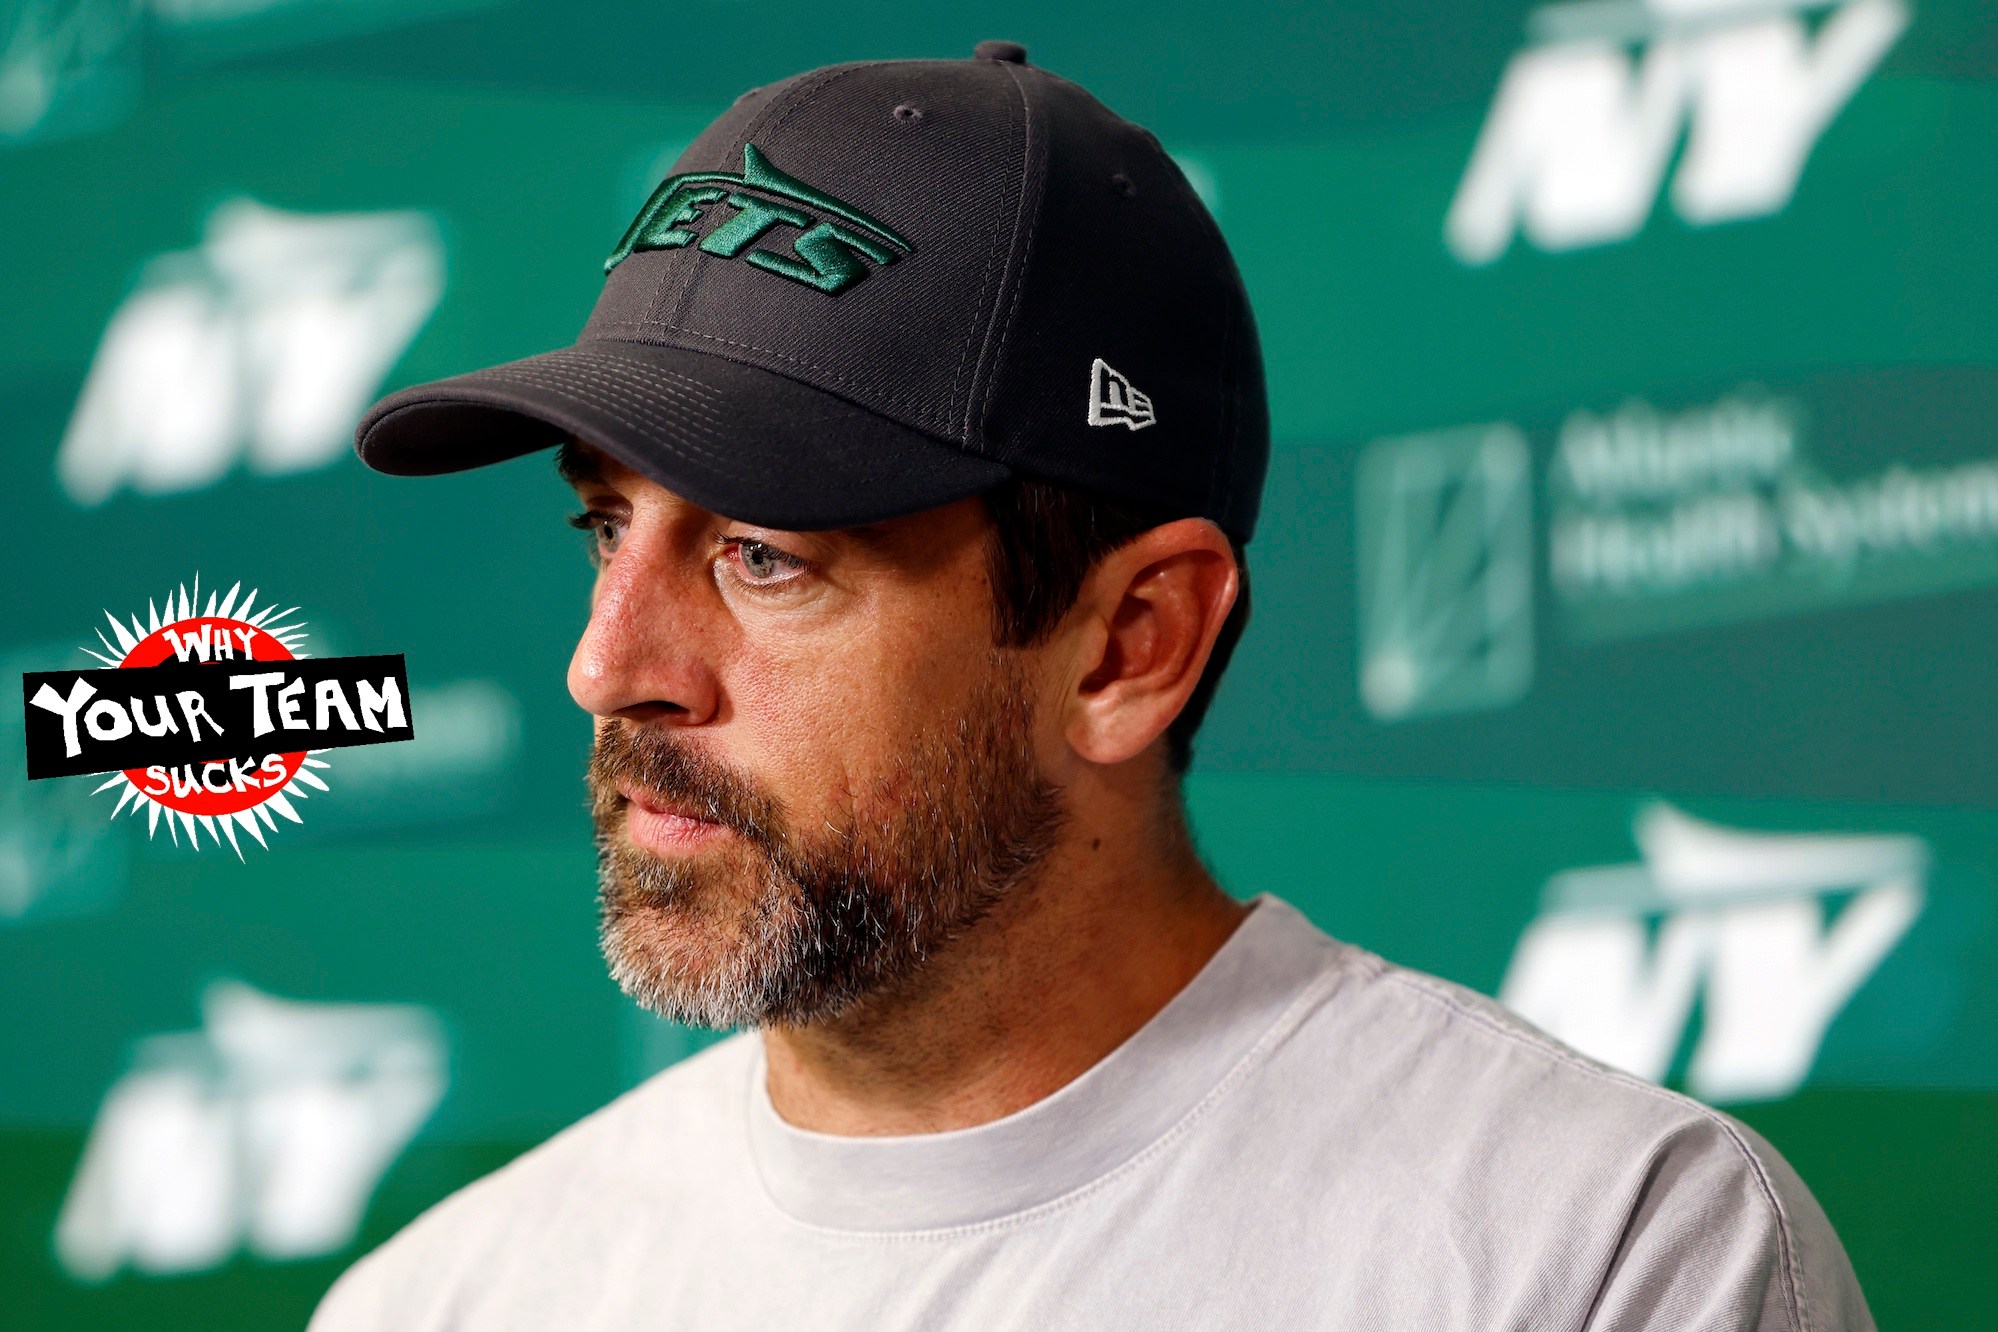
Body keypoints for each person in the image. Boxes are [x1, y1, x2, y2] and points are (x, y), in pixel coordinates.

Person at [312, 41, 1873, 1331]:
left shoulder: (1605, 1254)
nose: (610, 667)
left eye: (765, 557)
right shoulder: (441, 1304)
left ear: (1132, 643)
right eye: (607, 527)